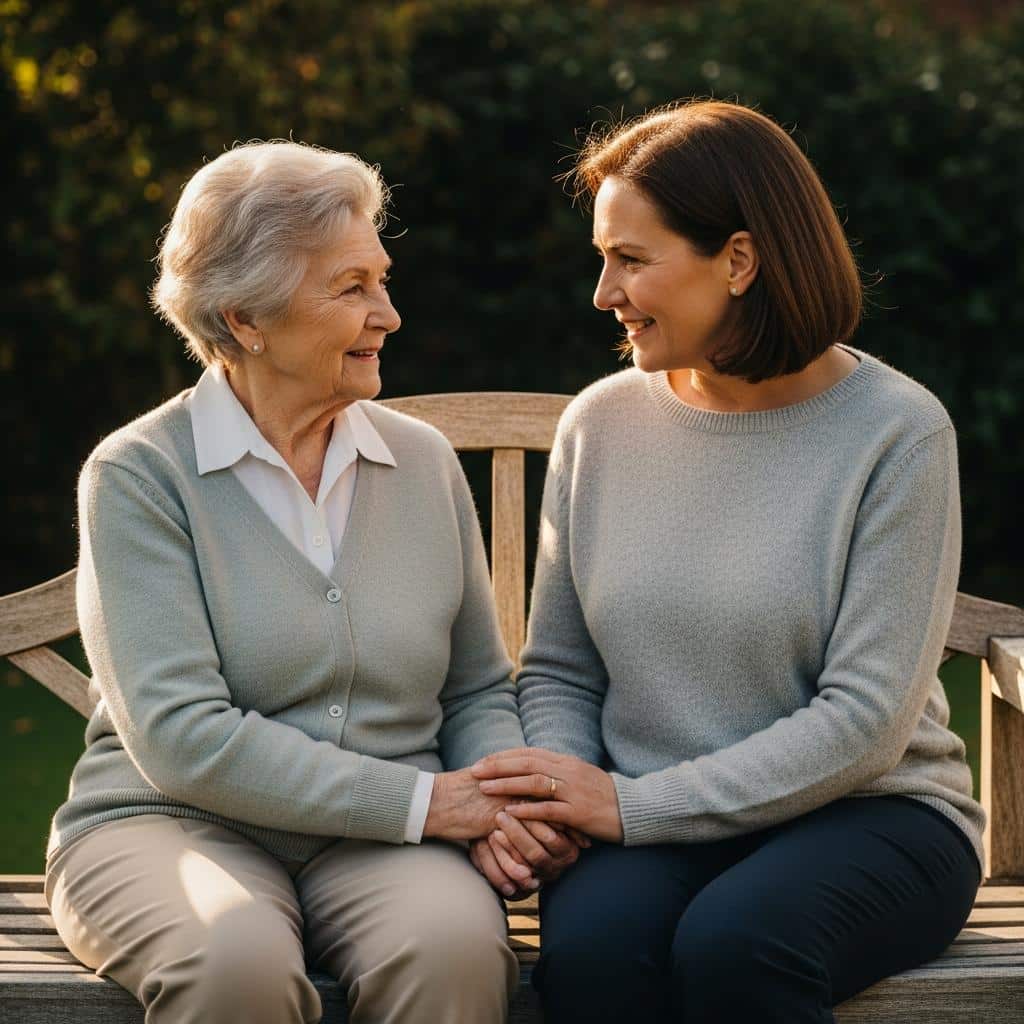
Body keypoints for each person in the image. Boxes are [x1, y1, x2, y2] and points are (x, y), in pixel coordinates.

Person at [471, 101, 985, 1023]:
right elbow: (559, 668)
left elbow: (864, 721)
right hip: (645, 815)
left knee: (740, 947)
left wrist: (631, 810)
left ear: (739, 261)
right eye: (603, 258)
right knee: (591, 957)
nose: (603, 292)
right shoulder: (601, 423)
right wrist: (560, 789)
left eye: (630, 260)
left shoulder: (897, 434)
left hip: (870, 817)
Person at [44, 140, 578, 1024]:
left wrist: (496, 802)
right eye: (352, 288)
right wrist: (429, 803)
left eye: (383, 279)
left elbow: (476, 684)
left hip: (385, 840)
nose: (390, 315)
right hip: (169, 824)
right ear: (244, 317)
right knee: (235, 966)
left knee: (454, 955)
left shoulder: (422, 462)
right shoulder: (140, 475)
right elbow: (180, 736)